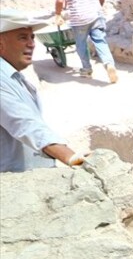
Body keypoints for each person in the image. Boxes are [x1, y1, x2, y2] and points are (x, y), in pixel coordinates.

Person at [0, 9, 86, 173]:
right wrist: (72, 158)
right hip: (17, 184)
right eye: (22, 37)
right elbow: (25, 124)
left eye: (32, 37)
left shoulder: (12, 76)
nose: (32, 44)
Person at [53, 0, 117, 83]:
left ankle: (87, 70)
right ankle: (109, 65)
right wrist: (99, 5)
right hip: (96, 15)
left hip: (79, 18)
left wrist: (58, 14)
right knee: (100, 41)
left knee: (81, 44)